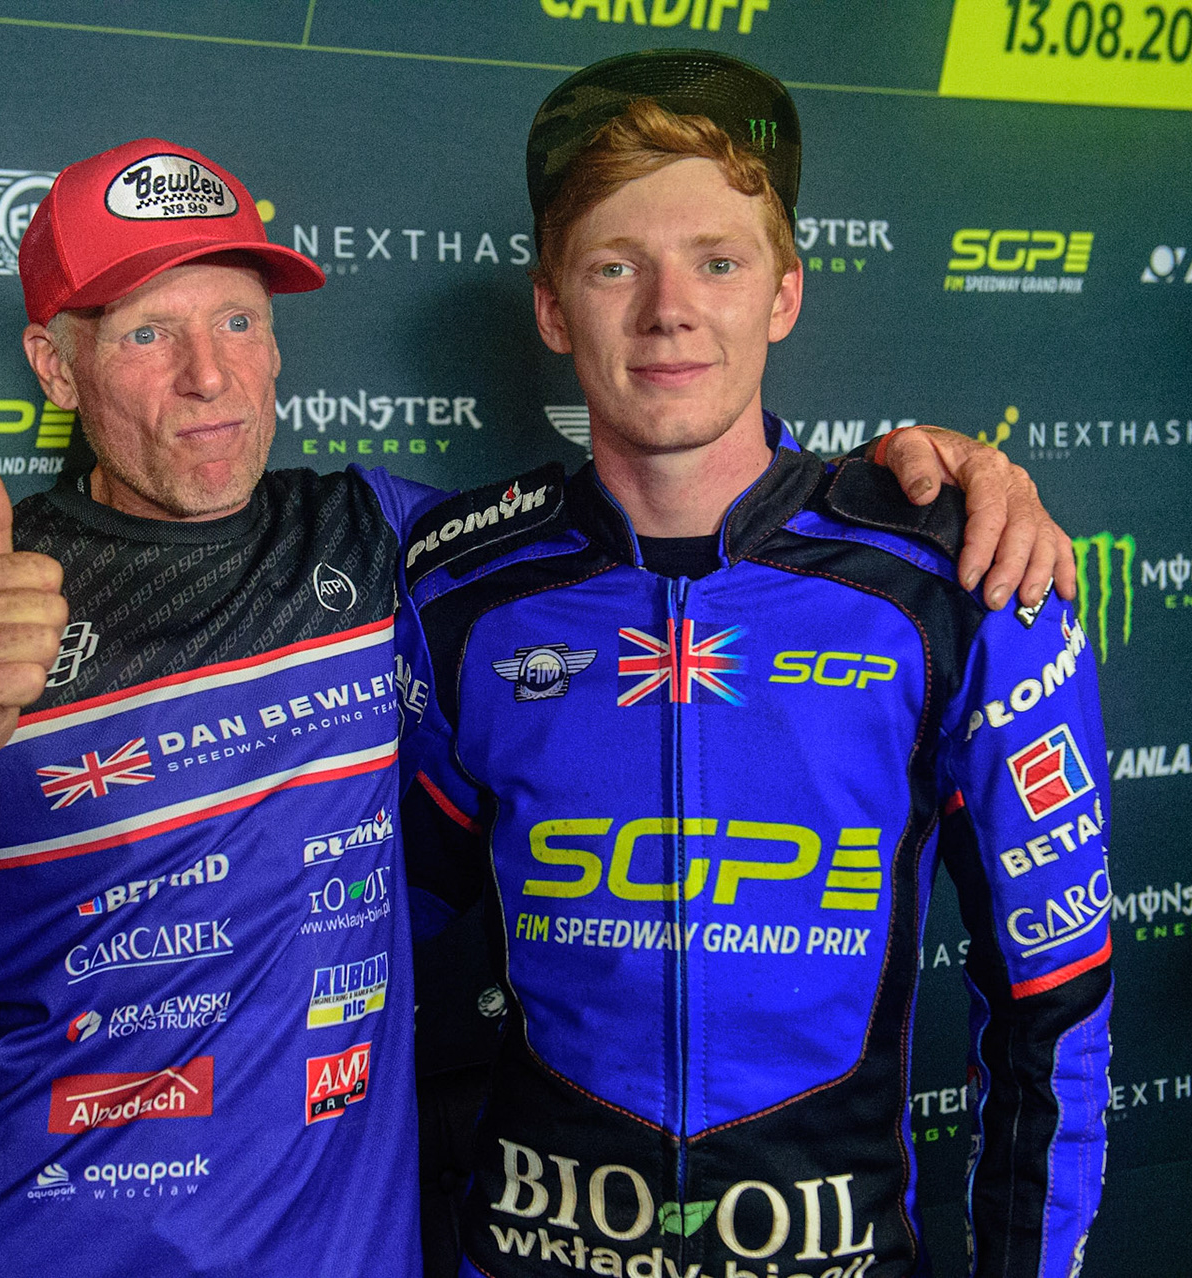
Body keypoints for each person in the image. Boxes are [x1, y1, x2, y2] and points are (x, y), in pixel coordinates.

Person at [0, 134, 1075, 1277]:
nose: (208, 376)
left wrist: (930, 477)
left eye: (238, 322)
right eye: (148, 333)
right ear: (55, 364)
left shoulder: (394, 548)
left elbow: (659, 513)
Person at [399, 51, 1113, 1278]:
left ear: (784, 293)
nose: (668, 310)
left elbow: (1057, 1010)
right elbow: (351, 950)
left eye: (718, 262)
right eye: (615, 265)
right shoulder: (453, 590)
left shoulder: (964, 579)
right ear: (553, 308)